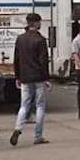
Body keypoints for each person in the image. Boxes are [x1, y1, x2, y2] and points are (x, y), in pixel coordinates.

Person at [11, 12, 51, 146]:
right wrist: (46, 78)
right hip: (38, 77)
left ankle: (18, 128)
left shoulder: (20, 39)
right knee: (39, 106)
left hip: (25, 77)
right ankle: (38, 136)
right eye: (40, 22)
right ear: (36, 23)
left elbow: (16, 59)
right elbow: (43, 60)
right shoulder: (40, 40)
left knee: (24, 105)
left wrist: (17, 76)